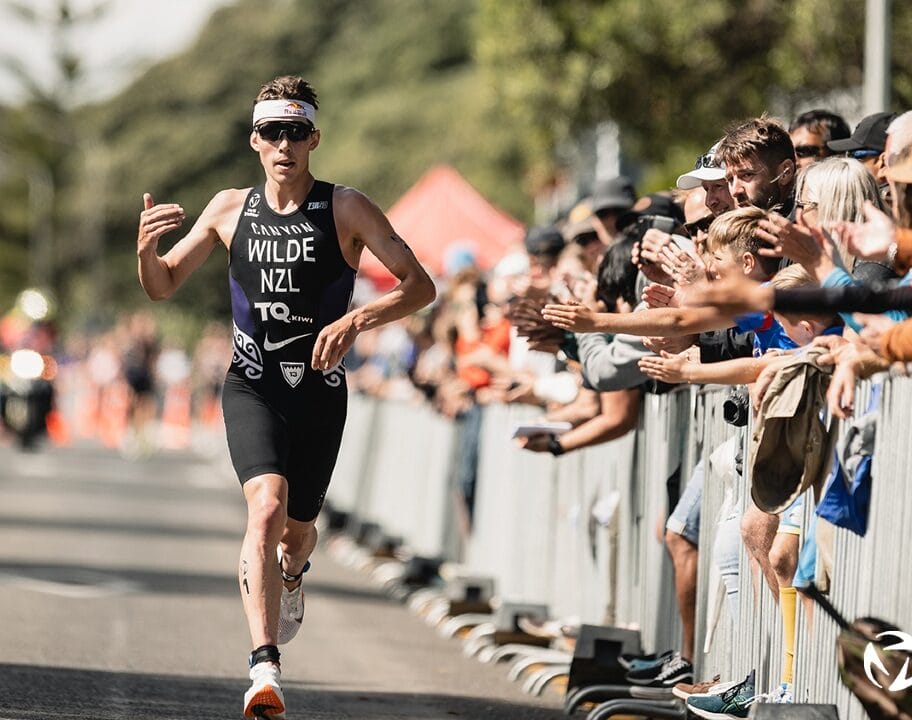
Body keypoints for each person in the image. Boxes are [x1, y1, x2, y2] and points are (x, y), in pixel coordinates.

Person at [135, 75, 435, 719]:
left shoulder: (346, 208)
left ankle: (293, 573)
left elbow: (420, 286)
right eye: (272, 132)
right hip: (252, 385)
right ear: (254, 140)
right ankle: (263, 666)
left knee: (297, 532)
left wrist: (358, 320)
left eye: (296, 132)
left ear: (314, 139)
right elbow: (161, 286)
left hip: (320, 393)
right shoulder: (226, 209)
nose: (284, 145)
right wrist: (145, 250)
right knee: (265, 509)